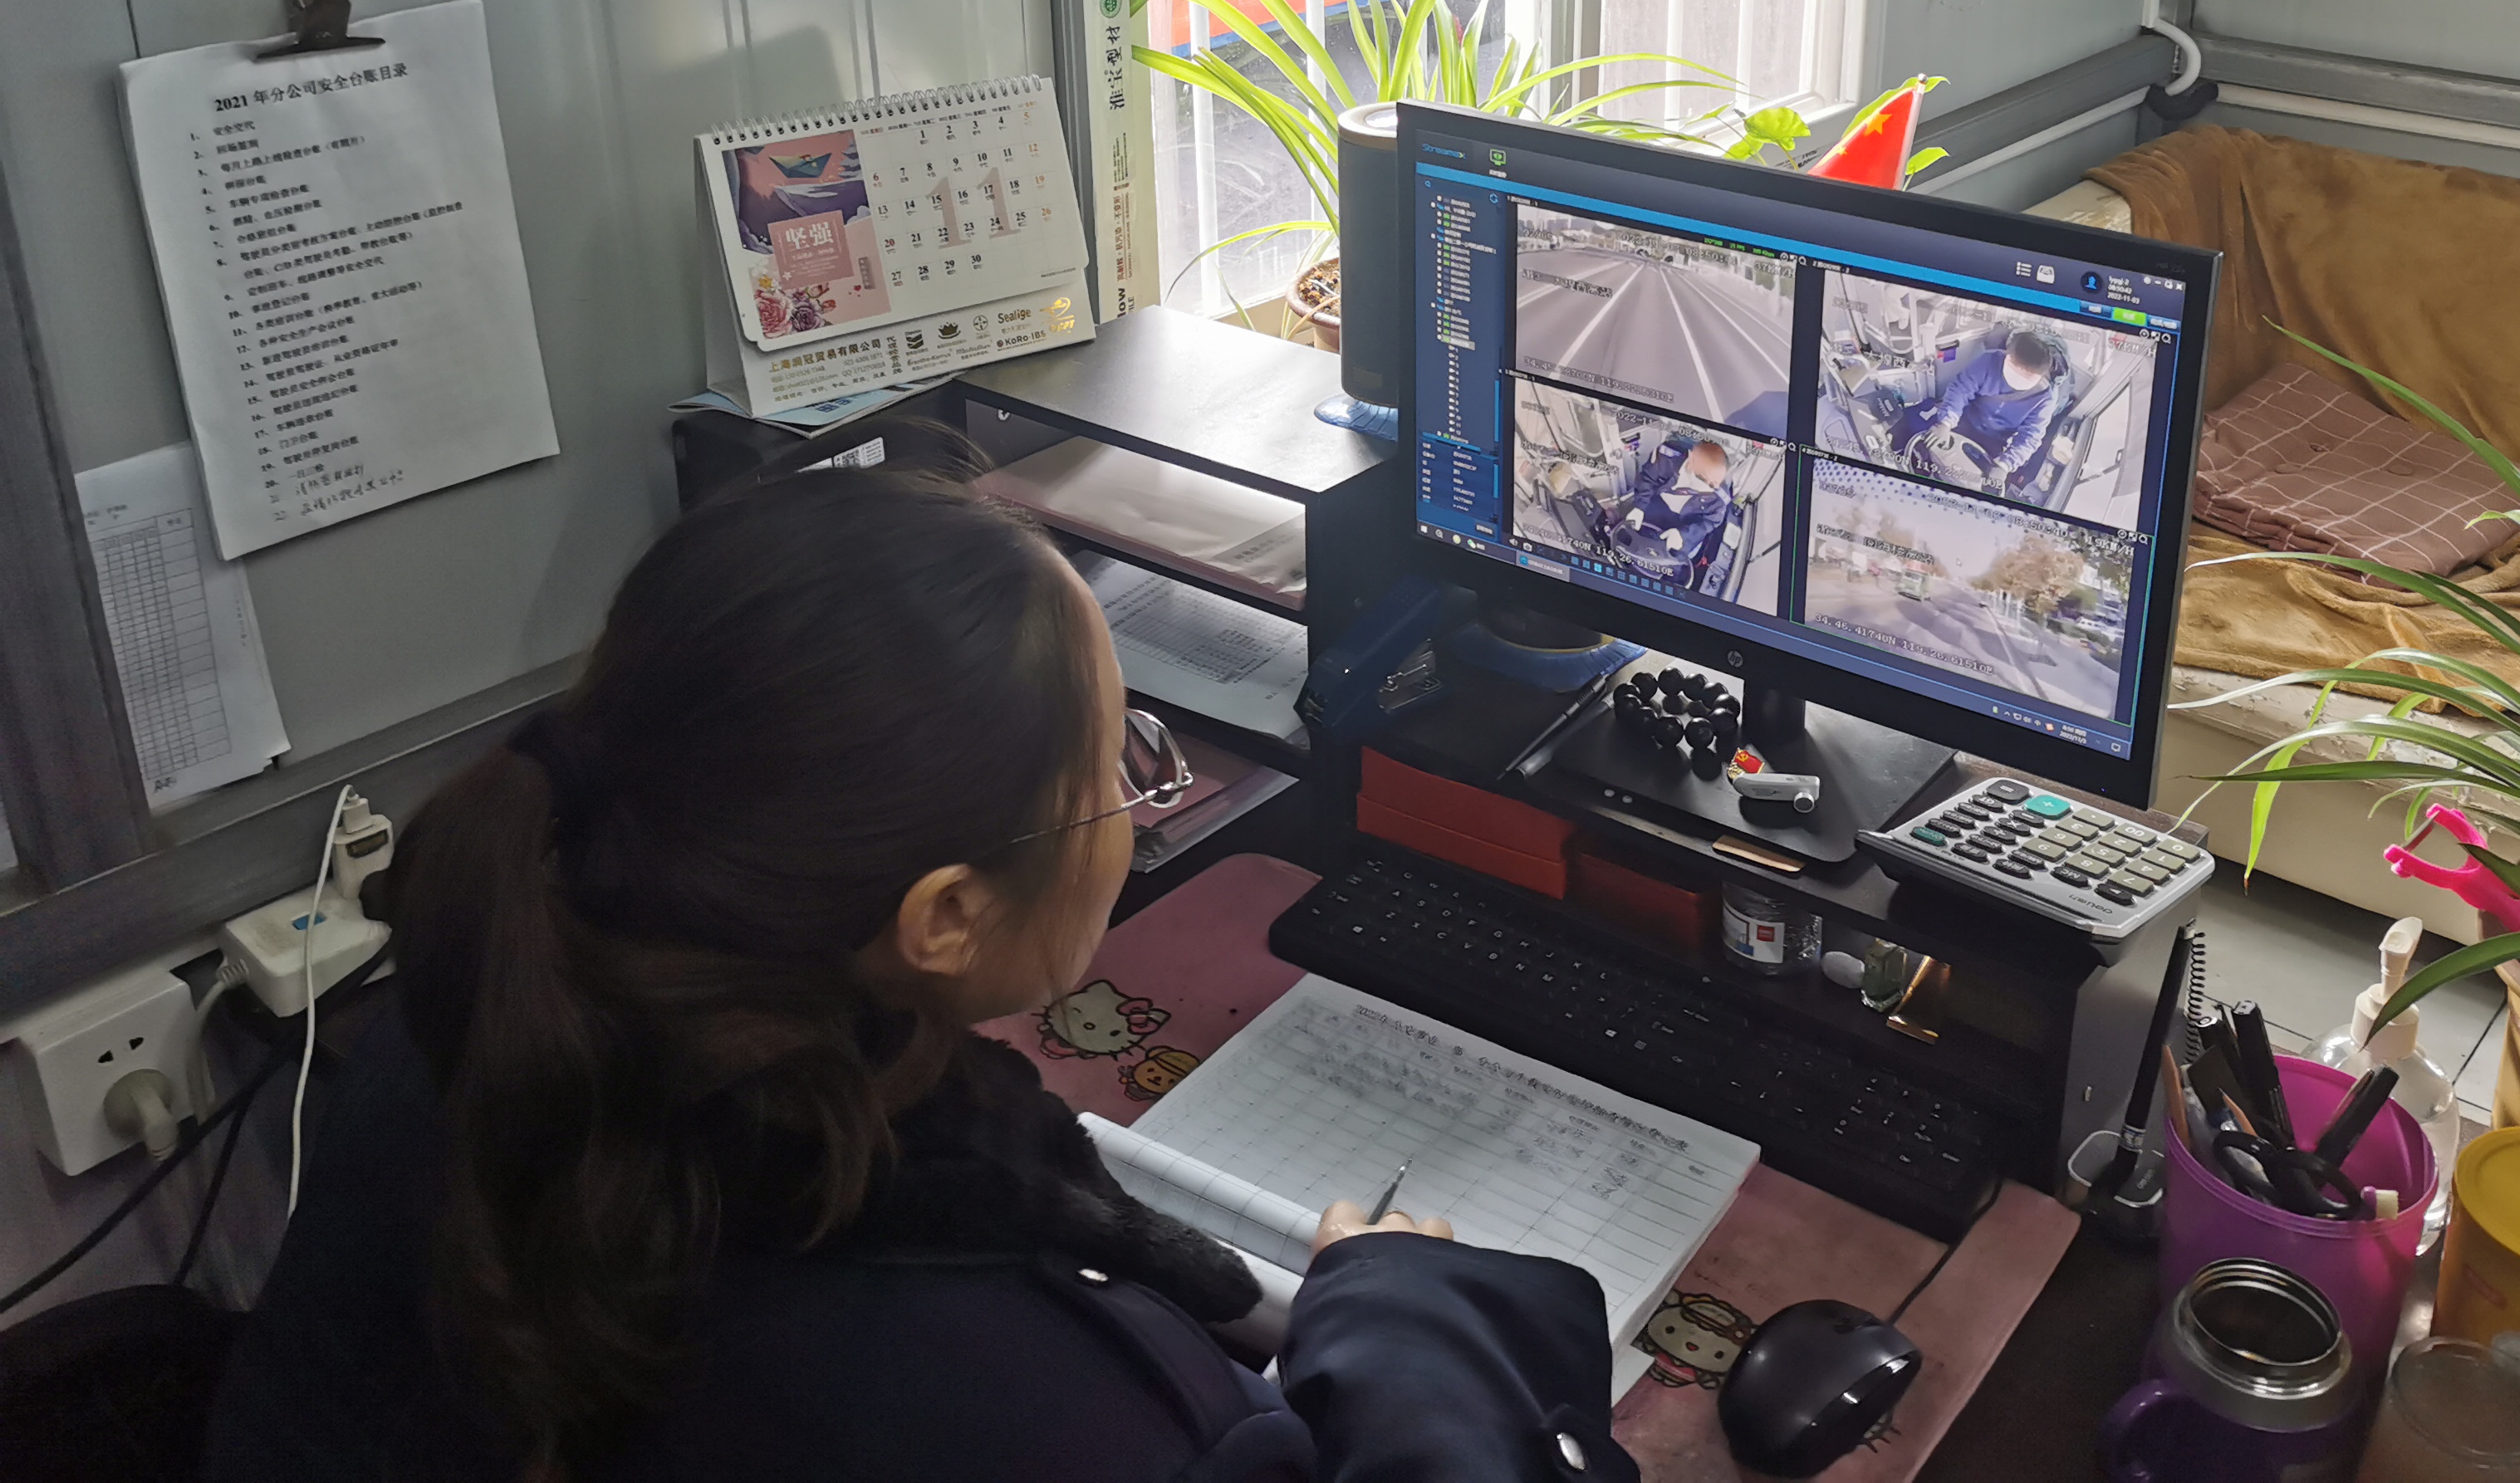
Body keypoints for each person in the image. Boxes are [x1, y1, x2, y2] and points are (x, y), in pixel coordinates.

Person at [202, 435, 1635, 1483]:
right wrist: (1404, 1325)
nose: (1141, 802)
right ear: (942, 917)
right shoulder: (1042, 1410)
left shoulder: (468, 1031)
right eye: (1120, 763)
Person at [1917, 331, 2074, 497]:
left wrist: (2005, 465)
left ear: (2040, 374)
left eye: (2027, 375)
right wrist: (1946, 422)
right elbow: (1961, 388)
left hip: (1995, 441)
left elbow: (2031, 436)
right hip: (1964, 418)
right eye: (2016, 369)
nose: (2019, 377)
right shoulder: (1989, 360)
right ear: (2008, 355)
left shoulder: (2045, 398)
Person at [1608, 435, 1732, 581]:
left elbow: (1710, 522)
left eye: (1713, 484)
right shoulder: (1667, 457)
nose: (1707, 486)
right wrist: (1639, 507)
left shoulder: (1720, 497)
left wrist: (1683, 536)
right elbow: (1647, 479)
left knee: (1674, 561)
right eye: (1702, 478)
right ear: (1691, 460)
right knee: (1634, 536)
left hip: (1686, 523)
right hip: (1658, 504)